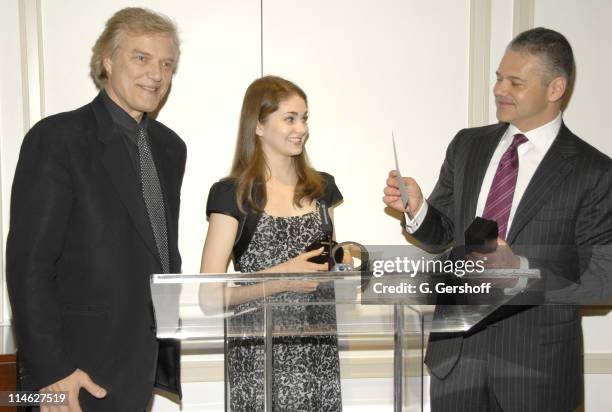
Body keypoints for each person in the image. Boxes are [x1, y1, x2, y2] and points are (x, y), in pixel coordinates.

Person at [383, 27, 612, 411]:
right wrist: (418, 209)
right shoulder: (467, 145)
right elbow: (445, 236)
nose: (500, 89)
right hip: (456, 361)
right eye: (498, 77)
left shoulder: (595, 172)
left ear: (555, 88)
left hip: (537, 370)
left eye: (515, 82)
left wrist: (519, 270)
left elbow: (601, 281)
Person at [6, 7, 186, 411]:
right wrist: (53, 372)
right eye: (141, 58)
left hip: (140, 368)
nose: (156, 74)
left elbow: (158, 251)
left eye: (166, 64)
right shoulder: (57, 139)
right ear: (107, 61)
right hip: (71, 373)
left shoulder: (170, 148)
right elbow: (28, 266)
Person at [200, 75, 343, 411]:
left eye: (304, 118)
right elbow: (209, 297)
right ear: (259, 126)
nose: (301, 128)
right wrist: (282, 278)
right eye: (290, 118)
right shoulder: (232, 194)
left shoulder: (321, 189)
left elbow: (329, 266)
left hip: (317, 355)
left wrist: (346, 262)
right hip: (258, 359)